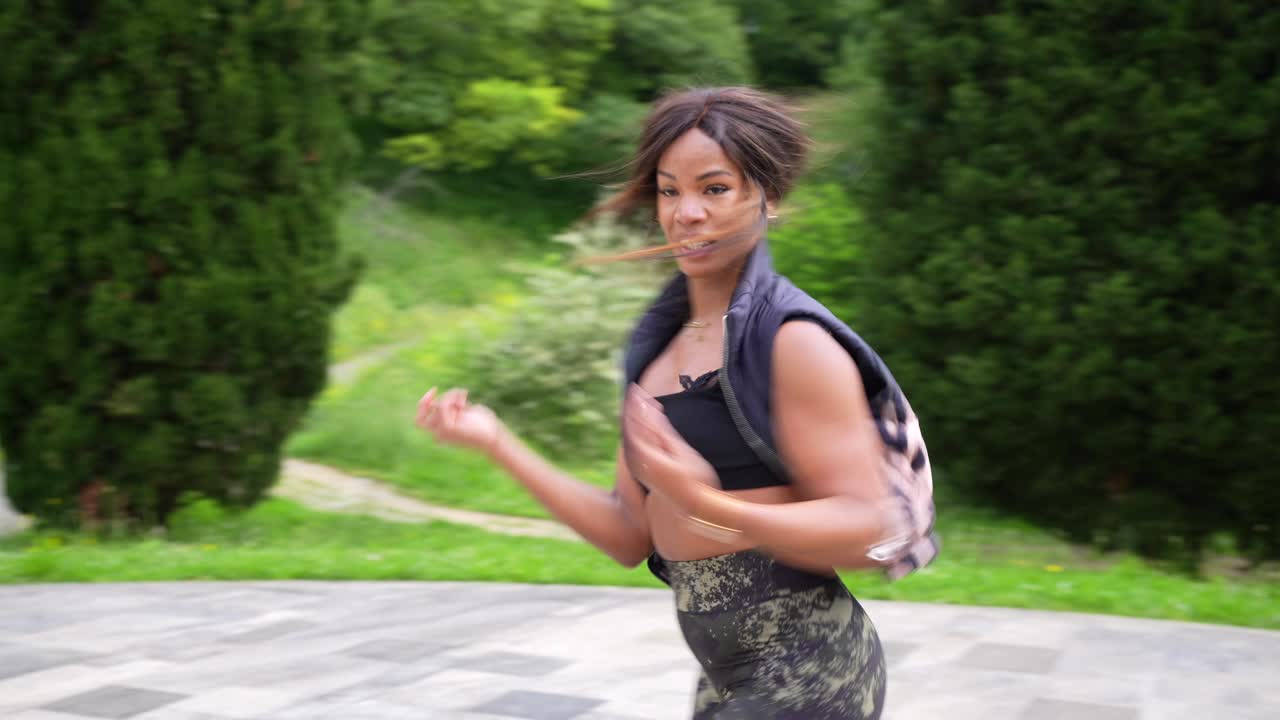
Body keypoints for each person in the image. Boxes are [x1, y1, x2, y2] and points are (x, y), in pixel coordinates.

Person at [416, 86, 938, 720]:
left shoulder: (792, 342)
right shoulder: (657, 350)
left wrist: (704, 503)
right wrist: (497, 443)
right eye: (669, 191)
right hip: (725, 677)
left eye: (715, 188)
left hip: (813, 670)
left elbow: (866, 525)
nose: (686, 213)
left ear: (768, 196)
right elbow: (628, 534)